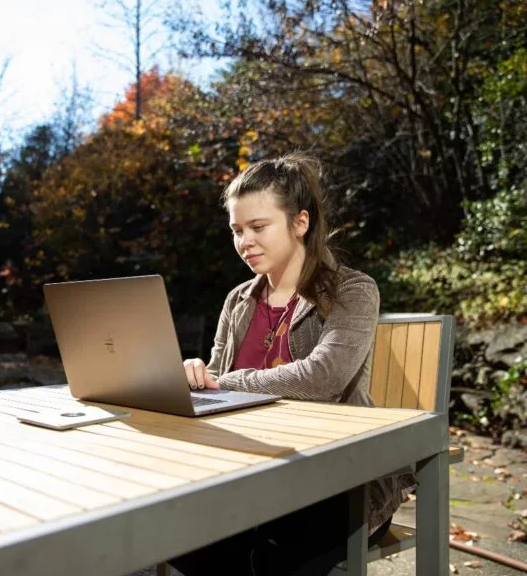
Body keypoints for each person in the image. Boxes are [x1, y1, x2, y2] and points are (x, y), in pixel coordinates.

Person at [173, 153, 413, 576]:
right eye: (236, 230)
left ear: (300, 223)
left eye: (258, 227)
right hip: (248, 471)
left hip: (337, 477)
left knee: (265, 554)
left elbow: (324, 377)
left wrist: (226, 381)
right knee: (177, 536)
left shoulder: (351, 290)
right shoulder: (238, 300)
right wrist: (194, 377)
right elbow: (215, 377)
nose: (244, 241)